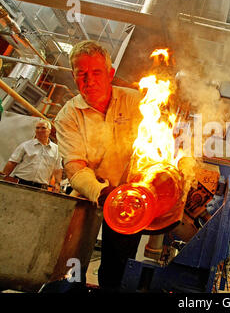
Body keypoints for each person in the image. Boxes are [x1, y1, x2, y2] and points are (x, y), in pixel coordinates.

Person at [54, 40, 144, 291]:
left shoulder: (136, 102)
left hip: (127, 197)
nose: (89, 80)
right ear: (73, 75)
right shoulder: (68, 115)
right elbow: (75, 168)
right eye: (81, 74)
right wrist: (101, 193)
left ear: (110, 74)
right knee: (70, 263)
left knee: (117, 268)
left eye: (96, 72)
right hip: (87, 193)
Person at [2, 118, 62, 192]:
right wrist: (4, 177)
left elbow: (58, 169)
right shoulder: (25, 145)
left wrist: (57, 183)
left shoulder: (56, 150)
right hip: (21, 183)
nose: (39, 130)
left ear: (49, 130)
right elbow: (12, 162)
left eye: (43, 128)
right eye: (37, 128)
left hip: (41, 187)